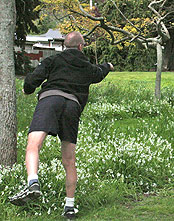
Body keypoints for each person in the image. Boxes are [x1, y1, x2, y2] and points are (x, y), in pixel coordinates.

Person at [9, 31, 114, 219]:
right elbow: (98, 73)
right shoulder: (86, 66)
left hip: (50, 100)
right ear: (81, 47)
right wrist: (108, 65)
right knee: (69, 160)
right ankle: (69, 207)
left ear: (65, 46)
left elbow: (32, 79)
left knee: (34, 144)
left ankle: (33, 182)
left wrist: (28, 89)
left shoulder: (54, 60)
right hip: (72, 106)